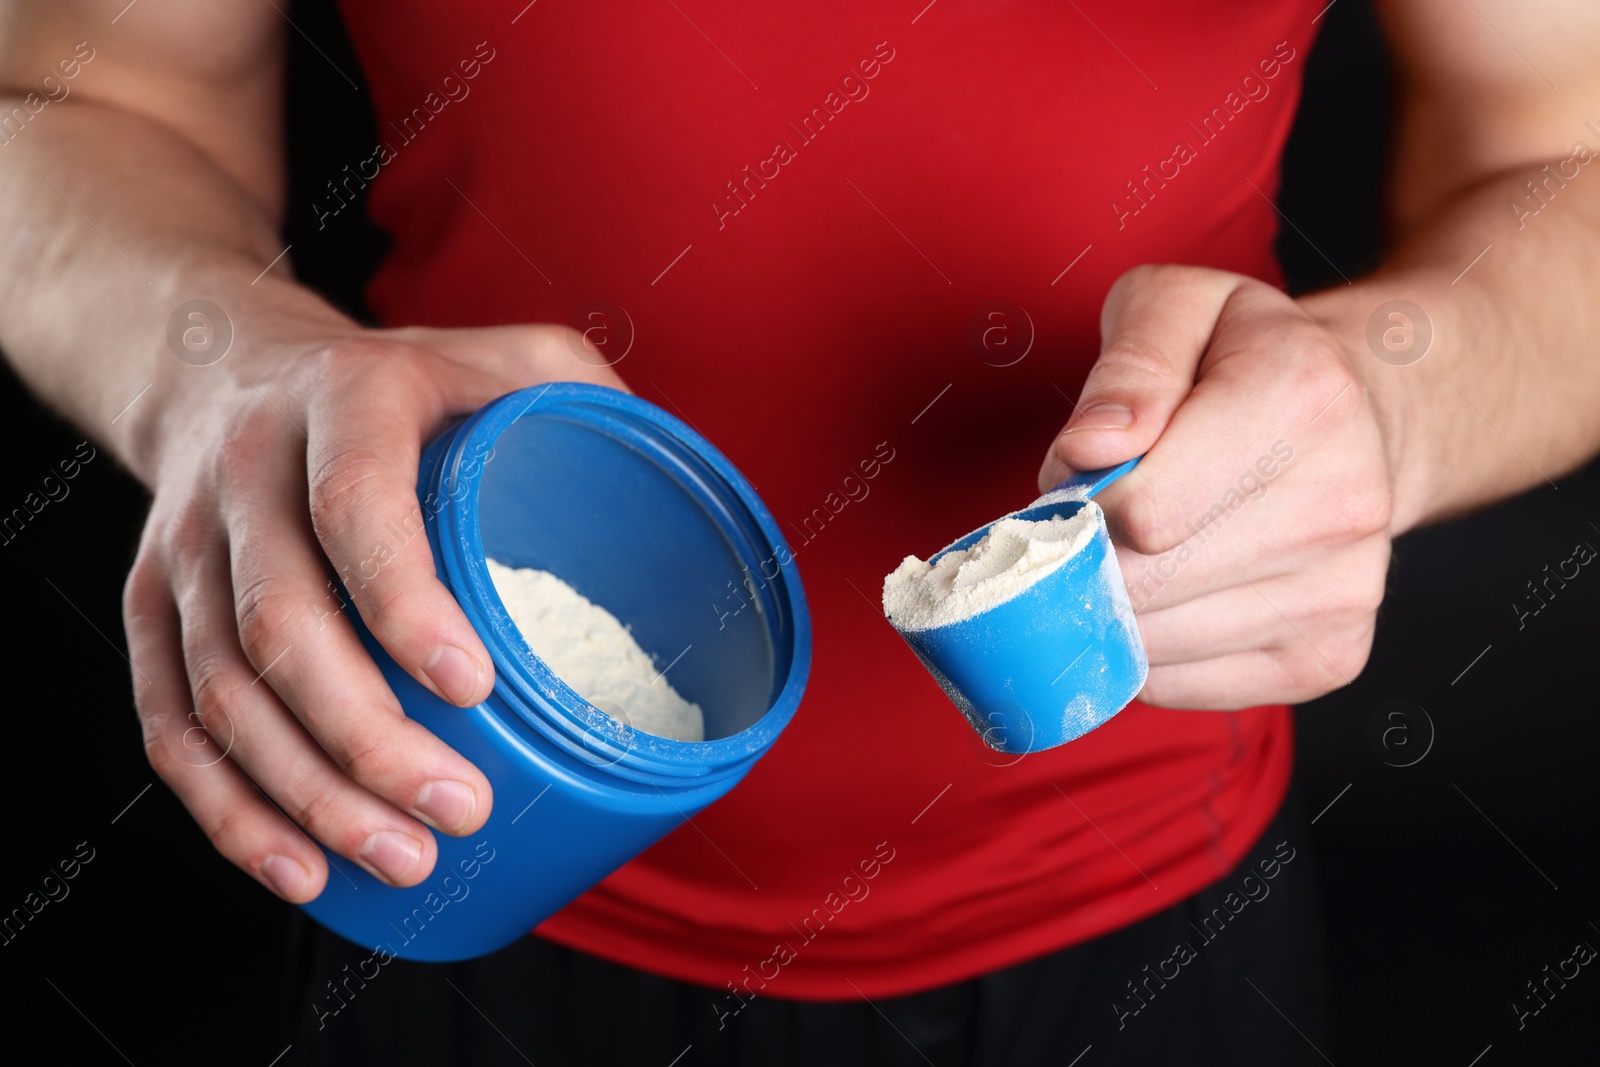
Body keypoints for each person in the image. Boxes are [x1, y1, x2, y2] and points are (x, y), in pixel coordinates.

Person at [3, 1, 1597, 1063]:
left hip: (1153, 914)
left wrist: (1393, 405)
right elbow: (90, 96)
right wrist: (212, 371)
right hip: (448, 826)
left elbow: (1564, 144)